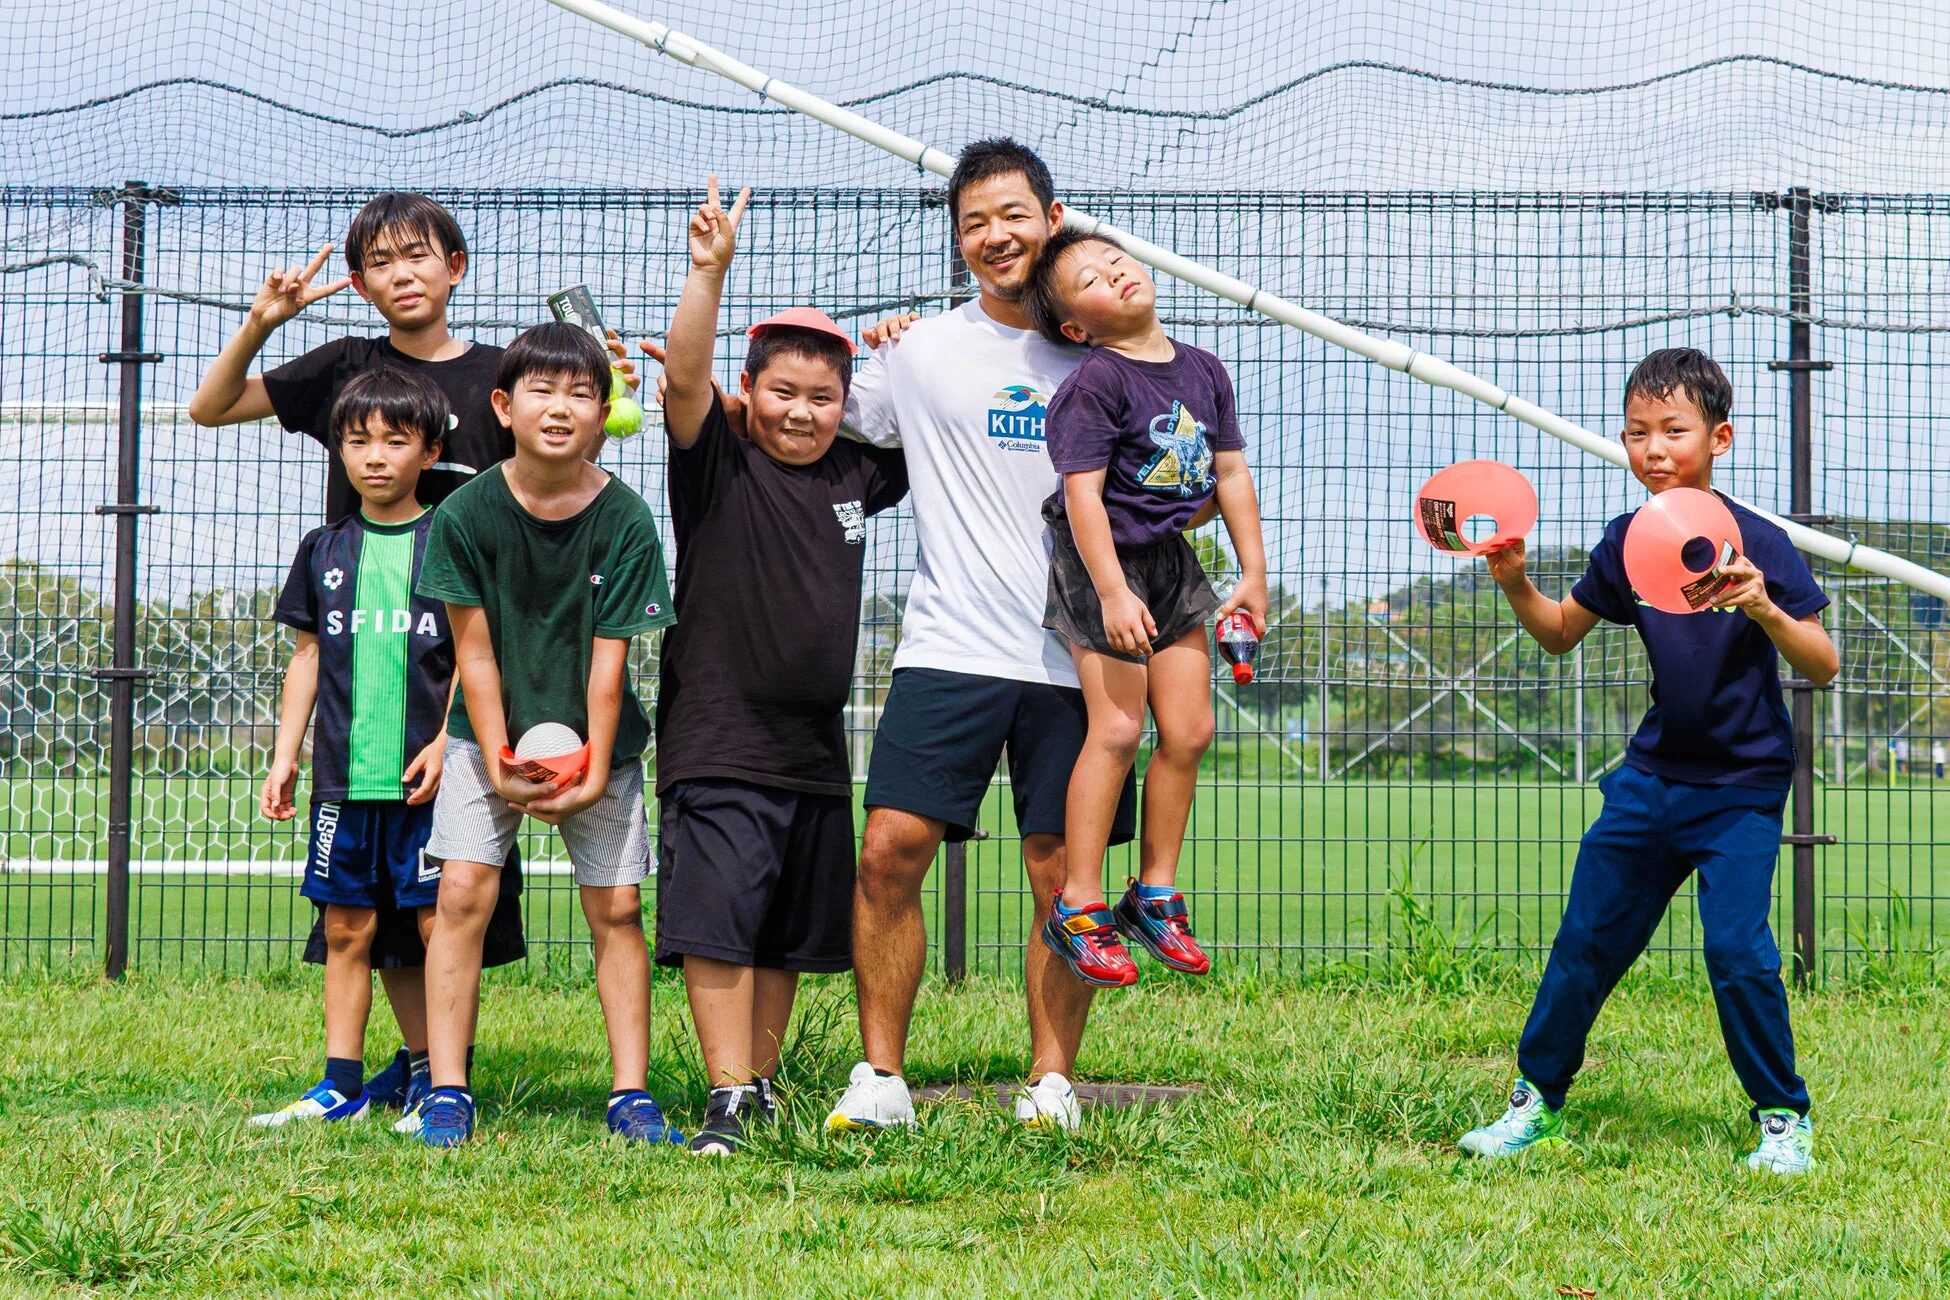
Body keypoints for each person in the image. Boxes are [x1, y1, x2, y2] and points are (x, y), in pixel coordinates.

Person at [818, 139, 1140, 1134]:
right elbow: (813, 412)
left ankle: (1052, 1085)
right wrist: (710, 392)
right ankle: (882, 1079)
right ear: (959, 241)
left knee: (1060, 873)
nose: (995, 235)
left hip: (1077, 655)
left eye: (1012, 214)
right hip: (949, 645)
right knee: (888, 851)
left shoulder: (1108, 358)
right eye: (973, 223)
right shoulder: (919, 351)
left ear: (1053, 219)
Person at [1459, 348, 1838, 1176]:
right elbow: (1561, 633)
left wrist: (1763, 606)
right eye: (1637, 433)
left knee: (1737, 953)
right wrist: (1516, 581)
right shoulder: (1627, 541)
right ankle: (1534, 1105)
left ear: (1719, 439)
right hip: (1652, 780)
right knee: (1586, 941)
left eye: (1673, 431)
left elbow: (1823, 664)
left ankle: (1784, 1120)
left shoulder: (1760, 541)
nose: (1653, 449)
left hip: (1741, 787)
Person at [188, 193, 528, 1111]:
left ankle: (438, 1074)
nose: (401, 273)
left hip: (450, 681)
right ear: (359, 280)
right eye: (379, 261)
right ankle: (387, 1074)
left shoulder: (502, 379)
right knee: (358, 917)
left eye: (418, 254)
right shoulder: (347, 368)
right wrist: (263, 321)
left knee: (444, 910)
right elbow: (209, 407)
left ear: (456, 265)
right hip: (357, 696)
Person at [651, 177, 907, 1155]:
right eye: (782, 393)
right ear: (748, 392)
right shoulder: (716, 459)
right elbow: (684, 380)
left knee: (784, 930)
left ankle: (759, 1086)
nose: (801, 413)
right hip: (719, 736)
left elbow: (934, 425)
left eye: (822, 398)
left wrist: (901, 354)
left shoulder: (855, 472)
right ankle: (723, 1095)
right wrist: (707, 274)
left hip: (813, 750)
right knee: (717, 919)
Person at [411, 323, 680, 1148]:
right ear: (504, 406)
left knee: (619, 909)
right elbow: (474, 656)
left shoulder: (626, 518)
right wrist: (498, 764)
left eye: (581, 394)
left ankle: (630, 1095)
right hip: (483, 737)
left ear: (603, 413)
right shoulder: (464, 515)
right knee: (461, 894)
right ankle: (447, 1092)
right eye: (542, 391)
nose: (560, 408)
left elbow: (609, 666)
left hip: (601, 742)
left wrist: (592, 771)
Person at [1019, 226, 1267, 988]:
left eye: (1115, 260)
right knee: (1120, 728)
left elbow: (1230, 474)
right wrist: (1111, 592)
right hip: (1101, 564)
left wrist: (1253, 575)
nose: (1115, 274)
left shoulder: (1204, 369)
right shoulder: (1094, 384)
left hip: (1168, 560)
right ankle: (1078, 903)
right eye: (1090, 281)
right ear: (1075, 327)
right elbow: (1081, 497)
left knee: (1190, 730)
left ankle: (1153, 893)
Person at [249, 369, 455, 1129]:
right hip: (342, 782)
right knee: (346, 929)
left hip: (424, 781)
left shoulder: (450, 542)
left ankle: (439, 1079)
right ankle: (341, 1084)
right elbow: (306, 658)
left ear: (429, 452)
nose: (375, 456)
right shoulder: (324, 549)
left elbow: (476, 656)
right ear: (338, 449)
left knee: (432, 930)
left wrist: (447, 742)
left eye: (395, 441)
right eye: (358, 440)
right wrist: (285, 756)